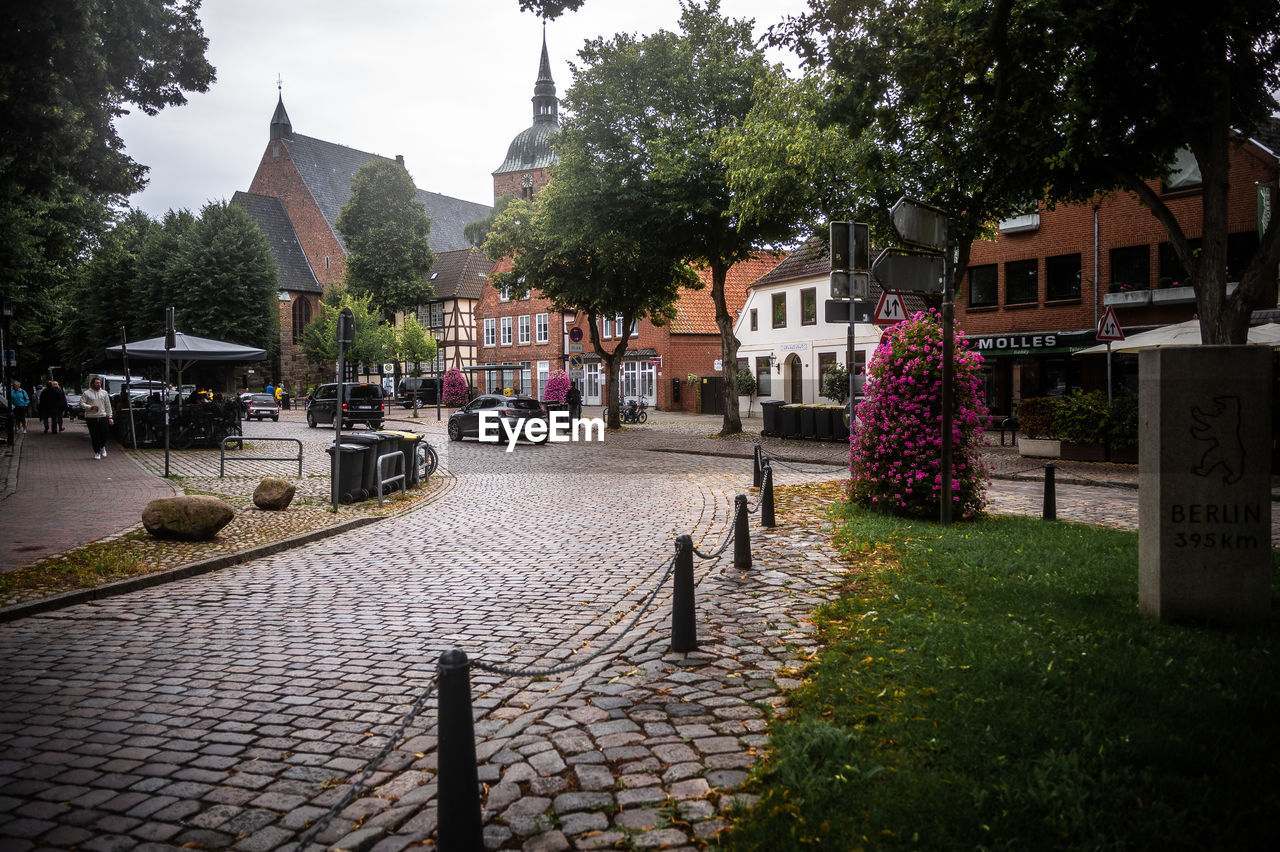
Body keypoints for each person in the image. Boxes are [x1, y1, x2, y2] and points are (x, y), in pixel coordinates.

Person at [80, 376, 114, 459]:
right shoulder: (87, 393)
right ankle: (97, 452)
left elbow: (107, 405)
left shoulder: (104, 393)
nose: (99, 384)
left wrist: (110, 416)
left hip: (103, 416)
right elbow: (81, 403)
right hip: (91, 417)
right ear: (92, 384)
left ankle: (102, 446)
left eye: (99, 383)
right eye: (97, 383)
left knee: (104, 433)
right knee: (94, 435)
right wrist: (90, 407)